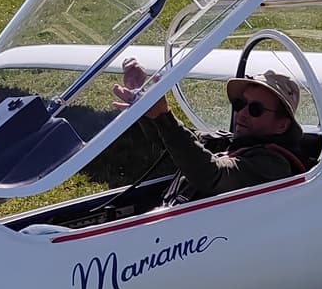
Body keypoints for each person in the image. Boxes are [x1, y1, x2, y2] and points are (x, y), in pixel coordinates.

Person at [114, 58, 308, 203]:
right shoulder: (228, 142)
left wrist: (164, 117)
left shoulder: (273, 166)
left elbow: (213, 175)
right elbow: (171, 145)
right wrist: (145, 105)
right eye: (240, 103)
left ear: (282, 125)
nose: (241, 114)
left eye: (255, 109)